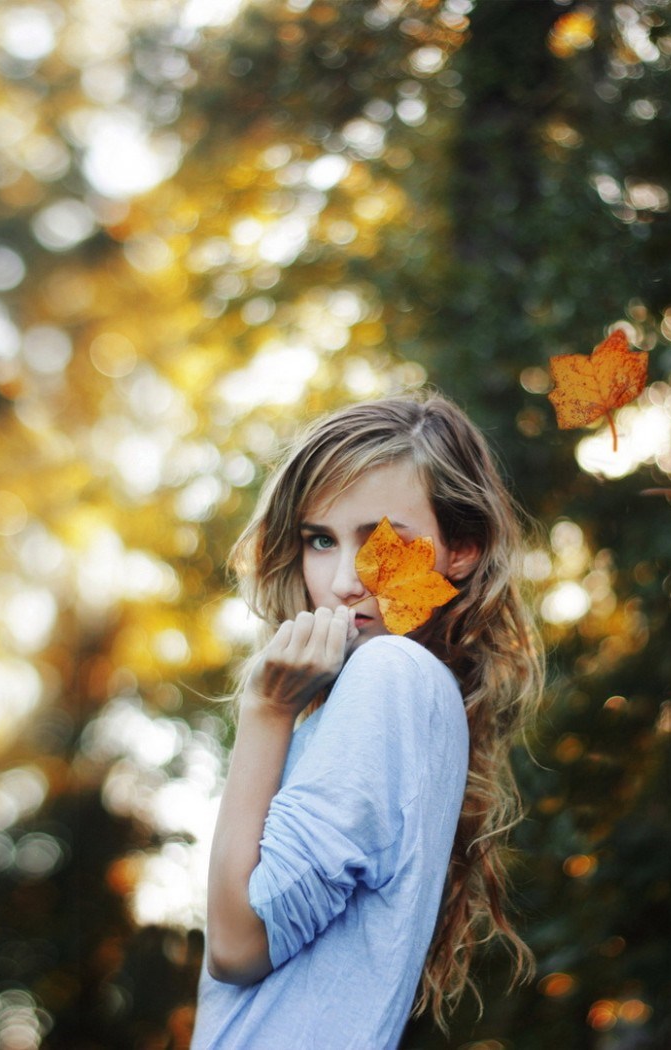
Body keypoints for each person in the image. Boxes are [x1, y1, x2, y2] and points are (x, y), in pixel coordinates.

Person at [191, 390, 545, 1048]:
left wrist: (265, 709)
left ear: (462, 549)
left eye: (384, 542)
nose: (345, 582)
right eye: (320, 540)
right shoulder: (388, 695)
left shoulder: (391, 674)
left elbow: (237, 947)